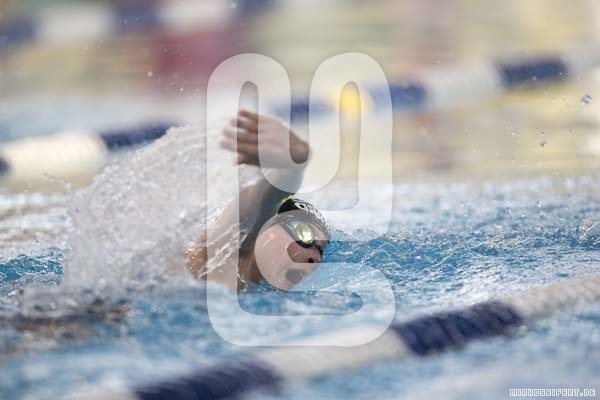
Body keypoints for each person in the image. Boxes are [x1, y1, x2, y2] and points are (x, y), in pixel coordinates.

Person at [185, 110, 330, 291]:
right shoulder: (213, 262)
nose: (315, 258)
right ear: (264, 228)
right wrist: (292, 169)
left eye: (320, 250)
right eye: (304, 234)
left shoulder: (252, 293)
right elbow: (258, 203)